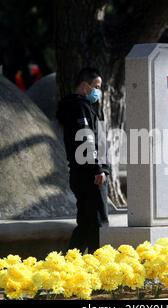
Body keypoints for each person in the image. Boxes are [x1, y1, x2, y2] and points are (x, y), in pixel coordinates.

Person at [56, 67, 110, 254]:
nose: (98, 91)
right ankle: (97, 270)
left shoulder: (80, 107)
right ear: (85, 86)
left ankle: (69, 266)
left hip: (83, 172)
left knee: (86, 224)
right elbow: (86, 138)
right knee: (97, 224)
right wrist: (97, 169)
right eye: (96, 86)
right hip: (89, 174)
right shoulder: (79, 107)